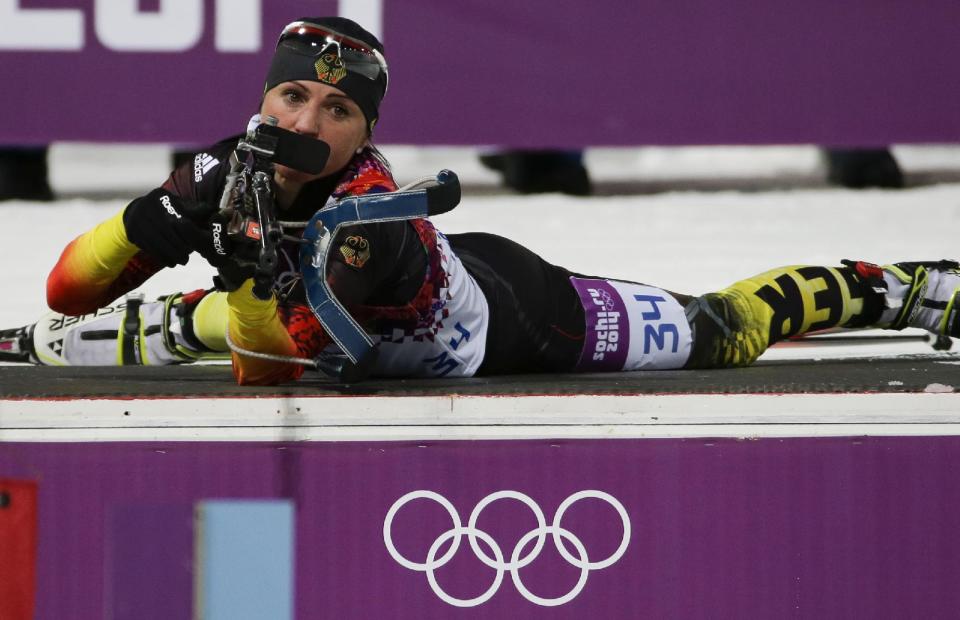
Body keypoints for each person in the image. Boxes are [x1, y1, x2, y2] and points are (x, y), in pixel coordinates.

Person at [1, 17, 958, 385]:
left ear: (363, 132)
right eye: (293, 94)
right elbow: (66, 285)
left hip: (515, 318)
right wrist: (155, 222)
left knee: (725, 330)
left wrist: (243, 262)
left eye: (337, 109)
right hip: (314, 330)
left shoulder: (373, 214)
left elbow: (279, 365)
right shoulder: (218, 168)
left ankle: (899, 285)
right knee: (185, 318)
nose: (308, 118)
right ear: (264, 96)